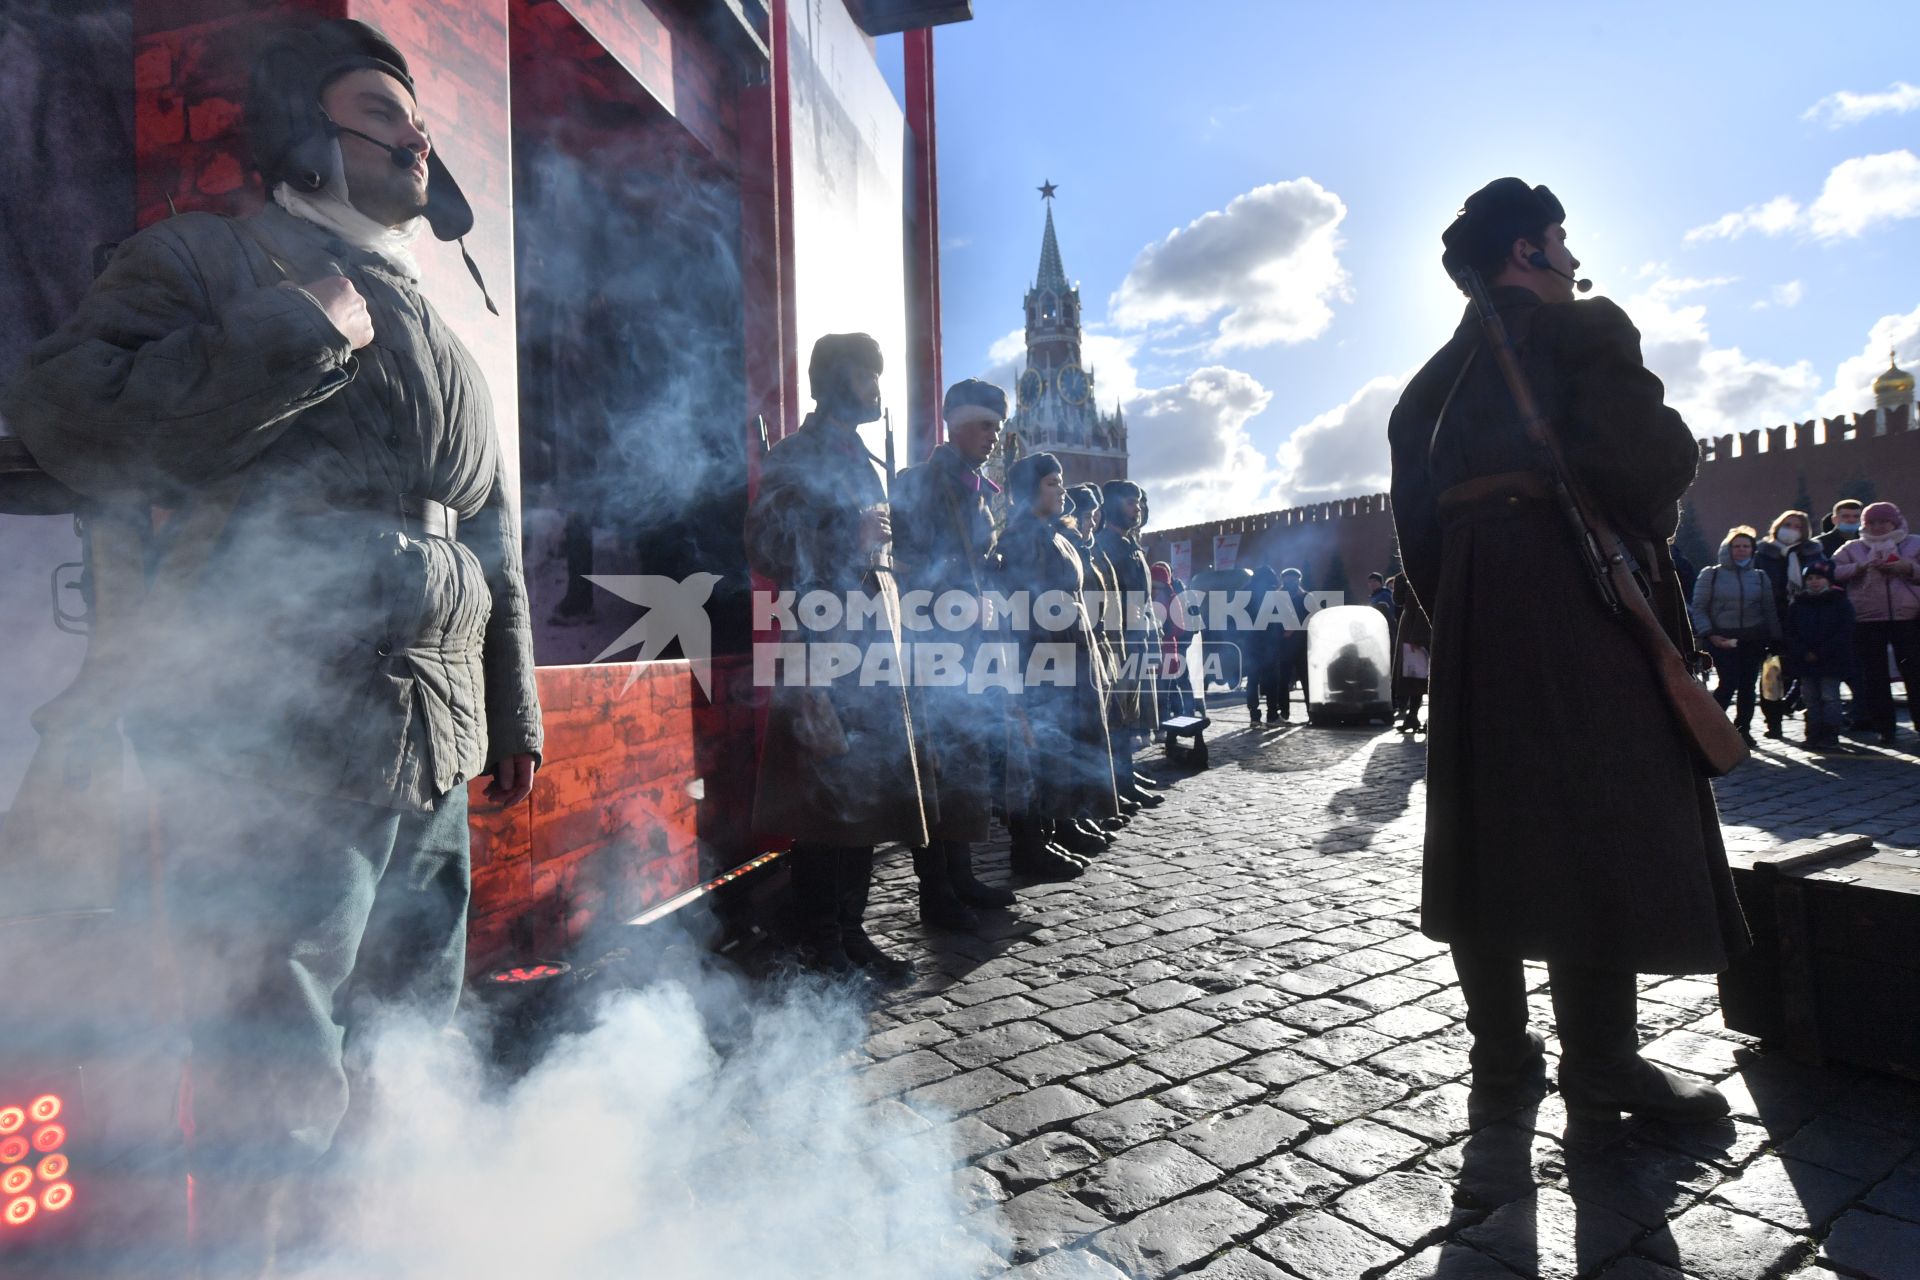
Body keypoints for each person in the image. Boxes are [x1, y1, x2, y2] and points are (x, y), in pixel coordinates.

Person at [2, 21, 544, 1270]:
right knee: (274, 1068)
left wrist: (511, 704)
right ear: (308, 132)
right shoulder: (204, 258)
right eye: (379, 111)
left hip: (433, 739)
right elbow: (69, 412)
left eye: (420, 120)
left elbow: (489, 530)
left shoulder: (437, 321)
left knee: (410, 1045)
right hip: (274, 729)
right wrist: (297, 328)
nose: (417, 137)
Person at [1387, 177, 1745, 1125]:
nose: (1575, 259)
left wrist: (1467, 598)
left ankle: (1501, 1062)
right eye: (1560, 240)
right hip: (1574, 607)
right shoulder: (1581, 330)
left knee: (1480, 832)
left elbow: (1414, 531)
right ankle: (1602, 1068)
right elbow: (1650, 462)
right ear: (1527, 253)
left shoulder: (1427, 387)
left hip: (1472, 615)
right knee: (1592, 821)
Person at [745, 332, 924, 981]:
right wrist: (844, 535)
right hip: (823, 642)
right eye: (865, 373)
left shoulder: (863, 459)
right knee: (827, 802)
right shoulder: (798, 453)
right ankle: (822, 943)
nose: (877, 386)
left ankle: (852, 932)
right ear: (834, 379)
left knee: (866, 796)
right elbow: (766, 547)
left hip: (871, 643)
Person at [889, 378, 1019, 928]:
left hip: (970, 647)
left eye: (998, 425)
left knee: (967, 765)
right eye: (986, 424)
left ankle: (961, 875)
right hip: (932, 645)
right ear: (955, 423)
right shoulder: (917, 483)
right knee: (935, 768)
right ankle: (936, 894)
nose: (994, 435)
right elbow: (907, 564)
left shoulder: (979, 489)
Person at [998, 455, 1120, 878]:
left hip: (1068, 650)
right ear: (1032, 490)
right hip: (1041, 655)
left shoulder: (1053, 535)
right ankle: (1031, 845)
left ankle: (1059, 826)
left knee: (1062, 744)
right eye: (1053, 483)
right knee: (1037, 751)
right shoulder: (1019, 540)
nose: (1062, 490)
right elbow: (1022, 609)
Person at [1092, 480, 1164, 811]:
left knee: (1132, 714)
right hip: (1118, 639)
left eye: (1139, 502)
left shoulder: (1130, 544)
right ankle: (1119, 782)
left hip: (1137, 637)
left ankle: (1127, 776)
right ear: (1111, 505)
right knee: (1119, 716)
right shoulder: (1106, 544)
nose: (1137, 507)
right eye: (1130, 502)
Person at [1830, 500, 1920, 745]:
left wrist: (1907, 567)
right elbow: (1832, 572)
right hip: (1867, 619)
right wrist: (1858, 568)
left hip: (1908, 618)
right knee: (1874, 677)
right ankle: (1885, 728)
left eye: (1883, 521)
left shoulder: (1914, 543)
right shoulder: (1852, 547)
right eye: (1872, 522)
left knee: (1915, 673)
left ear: (1895, 521)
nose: (1878, 527)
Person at [1690, 527, 1782, 746]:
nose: (1741, 550)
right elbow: (1699, 607)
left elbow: (1769, 610)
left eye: (1746, 546)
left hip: (1752, 638)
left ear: (1752, 550)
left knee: (1748, 685)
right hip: (1721, 638)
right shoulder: (1710, 574)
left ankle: (1743, 729)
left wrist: (1776, 638)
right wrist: (1710, 634)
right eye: (1736, 546)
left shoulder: (1759, 577)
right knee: (1728, 682)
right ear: (1727, 548)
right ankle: (1710, 727)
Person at [1755, 509, 1820, 738]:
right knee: (1771, 675)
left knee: (1806, 675)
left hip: (1804, 622)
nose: (1792, 530)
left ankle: (1812, 724)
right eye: (1788, 524)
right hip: (1772, 622)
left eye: (1797, 526)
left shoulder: (1812, 553)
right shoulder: (1762, 553)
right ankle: (1773, 724)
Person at [1784, 561, 1856, 749]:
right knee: (1810, 698)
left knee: (1829, 697)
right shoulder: (1798, 603)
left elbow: (1845, 631)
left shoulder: (1840, 602)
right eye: (1810, 578)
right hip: (1805, 660)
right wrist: (1803, 651)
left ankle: (1831, 733)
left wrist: (1821, 651)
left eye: (1819, 578)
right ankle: (1813, 732)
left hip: (1831, 659)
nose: (1814, 582)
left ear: (1828, 580)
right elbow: (1791, 632)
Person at [1388, 570, 1431, 733]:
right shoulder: (1405, 578)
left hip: (1421, 633)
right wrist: (1401, 580)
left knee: (1423, 678)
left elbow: (1423, 608)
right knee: (1413, 678)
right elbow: (1398, 601)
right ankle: (1412, 717)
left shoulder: (1426, 575)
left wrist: (1417, 637)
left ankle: (1427, 719)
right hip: (1409, 630)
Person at [1244, 564, 1286, 722]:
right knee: (1271, 680)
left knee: (1252, 680)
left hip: (1250, 643)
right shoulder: (1273, 593)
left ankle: (1254, 714)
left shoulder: (1245, 592)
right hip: (1270, 642)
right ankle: (1272, 714)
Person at [1275, 567, 1311, 720]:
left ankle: (1312, 711)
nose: (1291, 581)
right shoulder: (1277, 598)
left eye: (1294, 579)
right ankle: (1284, 712)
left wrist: (1295, 628)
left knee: (1306, 680)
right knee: (1283, 681)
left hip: (1302, 645)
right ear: (1283, 580)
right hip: (1284, 646)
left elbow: (1312, 617)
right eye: (1288, 579)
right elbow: (1273, 621)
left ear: (1299, 580)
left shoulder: (1306, 597)